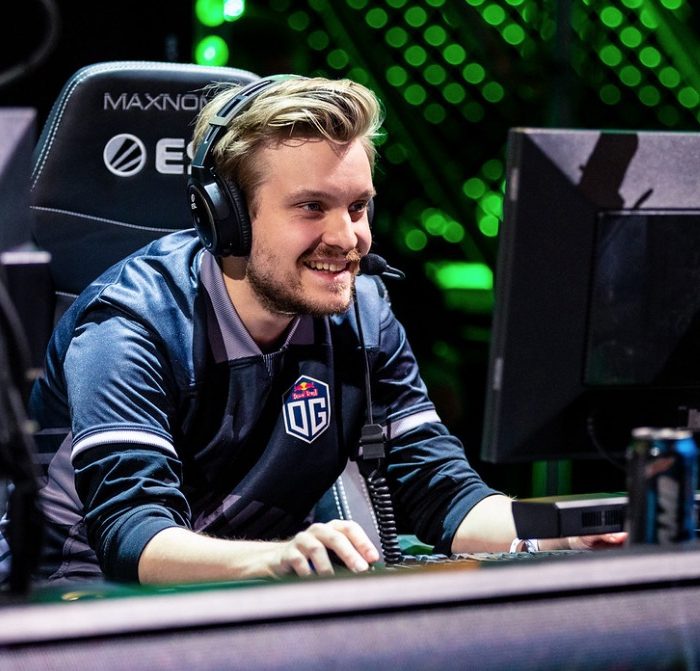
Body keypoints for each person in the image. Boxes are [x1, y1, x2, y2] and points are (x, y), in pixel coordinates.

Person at [13, 75, 624, 586]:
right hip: (87, 608)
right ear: (226, 217)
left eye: (357, 207)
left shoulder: (362, 312)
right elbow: (132, 536)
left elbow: (442, 491)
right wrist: (276, 559)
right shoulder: (128, 327)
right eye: (311, 207)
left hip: (255, 603)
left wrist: (561, 534)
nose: (347, 237)